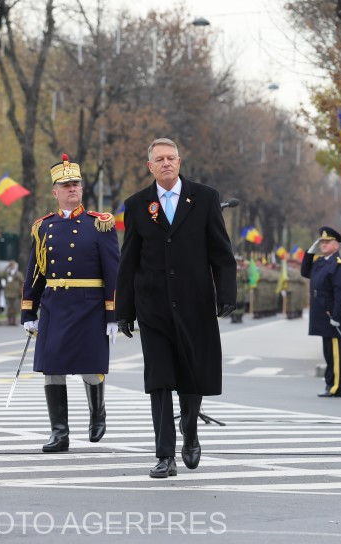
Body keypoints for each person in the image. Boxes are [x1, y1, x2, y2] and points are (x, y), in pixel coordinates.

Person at [116, 138, 237, 478]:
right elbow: (128, 261)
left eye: (171, 158)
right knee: (159, 380)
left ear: (180, 162)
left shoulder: (205, 197)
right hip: (153, 306)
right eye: (160, 159)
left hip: (195, 303)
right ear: (149, 166)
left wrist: (225, 293)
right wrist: (124, 310)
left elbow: (221, 252)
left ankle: (190, 430)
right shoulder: (137, 204)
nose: (166, 163)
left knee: (192, 375)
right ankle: (164, 455)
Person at [20, 154, 119, 453]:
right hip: (55, 305)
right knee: (52, 368)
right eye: (65, 185)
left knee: (91, 366)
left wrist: (114, 314)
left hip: (89, 305)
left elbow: (114, 271)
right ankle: (59, 433)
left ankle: (97, 414)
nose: (72, 188)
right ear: (55, 192)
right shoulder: (43, 228)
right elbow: (35, 271)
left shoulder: (99, 225)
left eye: (75, 183)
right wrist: (28, 310)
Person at [301, 226, 341, 397]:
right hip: (320, 314)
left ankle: (335, 386)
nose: (323, 245)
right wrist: (309, 253)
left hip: (331, 315)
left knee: (334, 353)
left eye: (327, 242)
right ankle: (330, 384)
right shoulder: (320, 262)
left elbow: (340, 293)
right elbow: (305, 272)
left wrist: (336, 316)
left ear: (336, 245)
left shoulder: (338, 265)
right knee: (327, 352)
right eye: (322, 242)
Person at [1, 261, 23, 326]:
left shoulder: (18, 273)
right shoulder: (7, 273)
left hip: (15, 294)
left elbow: (21, 280)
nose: (12, 267)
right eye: (11, 265)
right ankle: (9, 320)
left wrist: (15, 273)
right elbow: (1, 275)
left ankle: (14, 320)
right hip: (8, 294)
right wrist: (7, 267)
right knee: (9, 308)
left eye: (13, 265)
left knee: (15, 308)